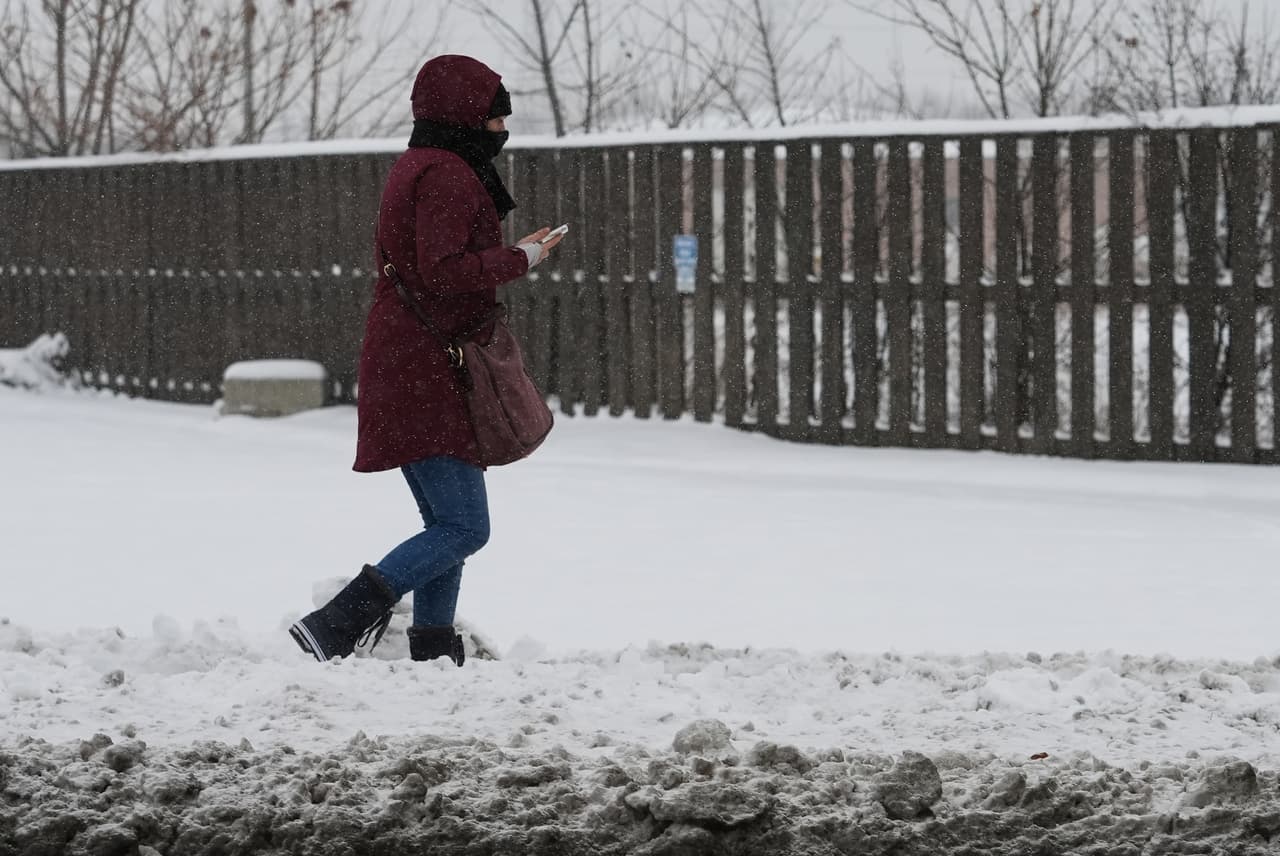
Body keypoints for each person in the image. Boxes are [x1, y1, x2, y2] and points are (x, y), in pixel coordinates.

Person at [289, 55, 564, 665]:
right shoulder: (444, 174)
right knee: (466, 527)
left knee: (446, 521)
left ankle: (434, 652)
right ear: (462, 114)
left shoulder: (427, 164)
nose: (499, 129)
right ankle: (336, 623)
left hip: (417, 360)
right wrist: (520, 259)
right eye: (493, 118)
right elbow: (442, 273)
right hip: (426, 368)